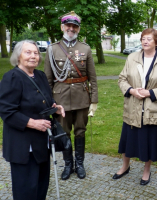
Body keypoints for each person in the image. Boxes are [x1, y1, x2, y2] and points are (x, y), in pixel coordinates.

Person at [0, 40, 65, 200]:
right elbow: (6, 111)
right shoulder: (12, 77)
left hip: (41, 142)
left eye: (36, 53)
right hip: (22, 145)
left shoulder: (40, 75)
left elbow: (46, 100)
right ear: (18, 56)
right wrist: (33, 123)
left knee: (40, 186)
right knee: (25, 190)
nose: (33, 56)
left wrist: (55, 107)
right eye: (28, 52)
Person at [115, 28, 157, 185]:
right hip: (132, 105)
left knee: (149, 142)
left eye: (149, 39)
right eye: (143, 39)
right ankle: (125, 166)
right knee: (127, 140)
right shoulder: (132, 57)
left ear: (156, 41)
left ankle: (146, 171)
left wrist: (149, 93)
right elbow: (122, 78)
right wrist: (132, 90)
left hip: (152, 109)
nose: (145, 41)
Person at [44, 11, 98, 180]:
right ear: (62, 27)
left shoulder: (85, 49)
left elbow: (93, 77)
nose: (71, 28)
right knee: (64, 132)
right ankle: (68, 165)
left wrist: (94, 100)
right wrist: (49, 102)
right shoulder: (52, 49)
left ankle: (79, 164)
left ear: (78, 29)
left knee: (80, 131)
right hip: (61, 100)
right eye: (68, 25)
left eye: (74, 26)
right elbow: (47, 79)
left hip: (82, 98)